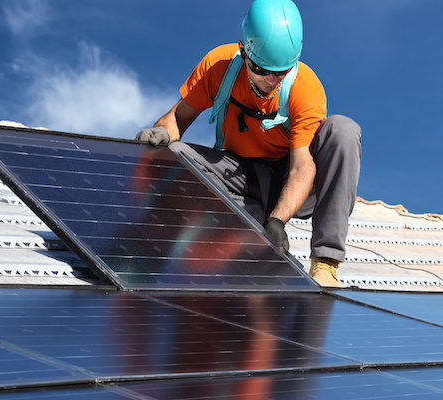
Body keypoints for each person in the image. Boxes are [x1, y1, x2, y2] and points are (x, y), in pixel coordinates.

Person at [136, 0, 360, 287]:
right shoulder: (218, 67)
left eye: (280, 72)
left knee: (343, 130)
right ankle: (156, 246)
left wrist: (277, 221)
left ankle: (326, 263)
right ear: (244, 50)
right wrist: (163, 136)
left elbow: (302, 167)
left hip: (292, 183)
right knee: (175, 154)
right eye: (261, 69)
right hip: (241, 179)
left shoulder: (305, 87)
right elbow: (177, 119)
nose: (270, 81)